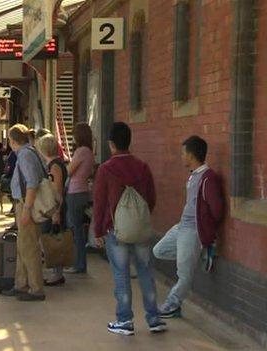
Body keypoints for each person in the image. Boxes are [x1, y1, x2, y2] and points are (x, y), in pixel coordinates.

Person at [93, 122, 167, 335]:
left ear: (111, 144)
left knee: (121, 275)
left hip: (116, 231)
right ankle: (154, 319)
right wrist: (140, 219)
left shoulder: (106, 169)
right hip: (141, 229)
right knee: (146, 272)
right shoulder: (142, 167)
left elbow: (99, 203)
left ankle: (125, 320)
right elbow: (151, 198)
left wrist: (98, 231)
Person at [153, 136, 224, 318]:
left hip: (193, 230)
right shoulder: (193, 175)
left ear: (191, 155)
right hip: (181, 227)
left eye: (183, 153)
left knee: (184, 274)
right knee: (158, 250)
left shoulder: (208, 178)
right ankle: (196, 255)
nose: (181, 156)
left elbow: (217, 210)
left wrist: (206, 229)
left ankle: (173, 304)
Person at [3, 124, 46, 301]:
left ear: (12, 141)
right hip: (23, 203)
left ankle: (36, 289)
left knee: (29, 247)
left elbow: (32, 183)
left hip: (27, 204)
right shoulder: (28, 152)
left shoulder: (26, 155)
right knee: (22, 246)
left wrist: (26, 209)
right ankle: (21, 284)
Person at [36, 134, 67, 286]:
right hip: (50, 208)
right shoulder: (55, 164)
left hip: (53, 208)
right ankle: (54, 271)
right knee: (50, 240)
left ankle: (56, 273)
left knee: (52, 240)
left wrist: (56, 213)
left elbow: (57, 190)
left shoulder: (54, 167)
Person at [64, 123, 95, 274]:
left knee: (75, 230)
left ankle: (78, 264)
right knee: (79, 230)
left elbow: (69, 171)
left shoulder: (81, 151)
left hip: (74, 192)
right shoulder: (89, 151)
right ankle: (80, 263)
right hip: (83, 191)